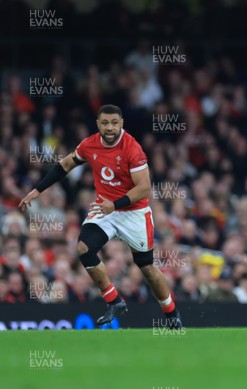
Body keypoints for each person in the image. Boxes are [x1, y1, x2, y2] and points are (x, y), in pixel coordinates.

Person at [19, 104, 182, 328]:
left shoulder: (132, 148)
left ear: (121, 123)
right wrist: (37, 191)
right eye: (105, 123)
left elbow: (144, 188)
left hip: (133, 212)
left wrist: (115, 205)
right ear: (98, 124)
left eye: (114, 123)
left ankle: (172, 315)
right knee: (83, 248)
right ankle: (114, 301)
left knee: (146, 268)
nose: (110, 127)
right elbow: (65, 165)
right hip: (105, 209)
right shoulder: (89, 144)